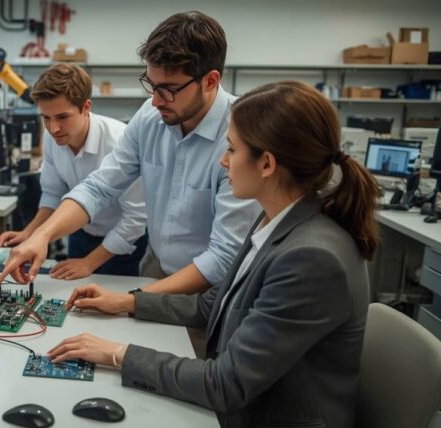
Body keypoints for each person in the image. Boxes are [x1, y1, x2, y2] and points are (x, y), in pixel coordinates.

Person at [47, 81, 379, 427]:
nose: (223, 161)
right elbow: (212, 305)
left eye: (231, 149)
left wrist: (117, 354)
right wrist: (125, 302)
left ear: (267, 164)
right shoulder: (277, 219)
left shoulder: (311, 259)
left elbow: (225, 384)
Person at [0, 12, 260, 296]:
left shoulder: (242, 134)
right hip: (156, 266)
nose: (155, 101)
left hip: (212, 285)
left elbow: (224, 255)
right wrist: (42, 235)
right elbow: (99, 187)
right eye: (151, 85)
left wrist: (132, 300)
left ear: (210, 81)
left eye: (168, 90)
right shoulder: (150, 117)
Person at [0, 63, 148, 279]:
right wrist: (30, 234)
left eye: (62, 117)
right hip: (81, 232)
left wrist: (89, 263)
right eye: (46, 118)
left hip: (122, 239)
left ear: (86, 107)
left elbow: (135, 219)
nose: (53, 128)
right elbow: (52, 194)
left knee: (114, 295)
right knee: (71, 292)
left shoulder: (120, 141)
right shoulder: (52, 137)